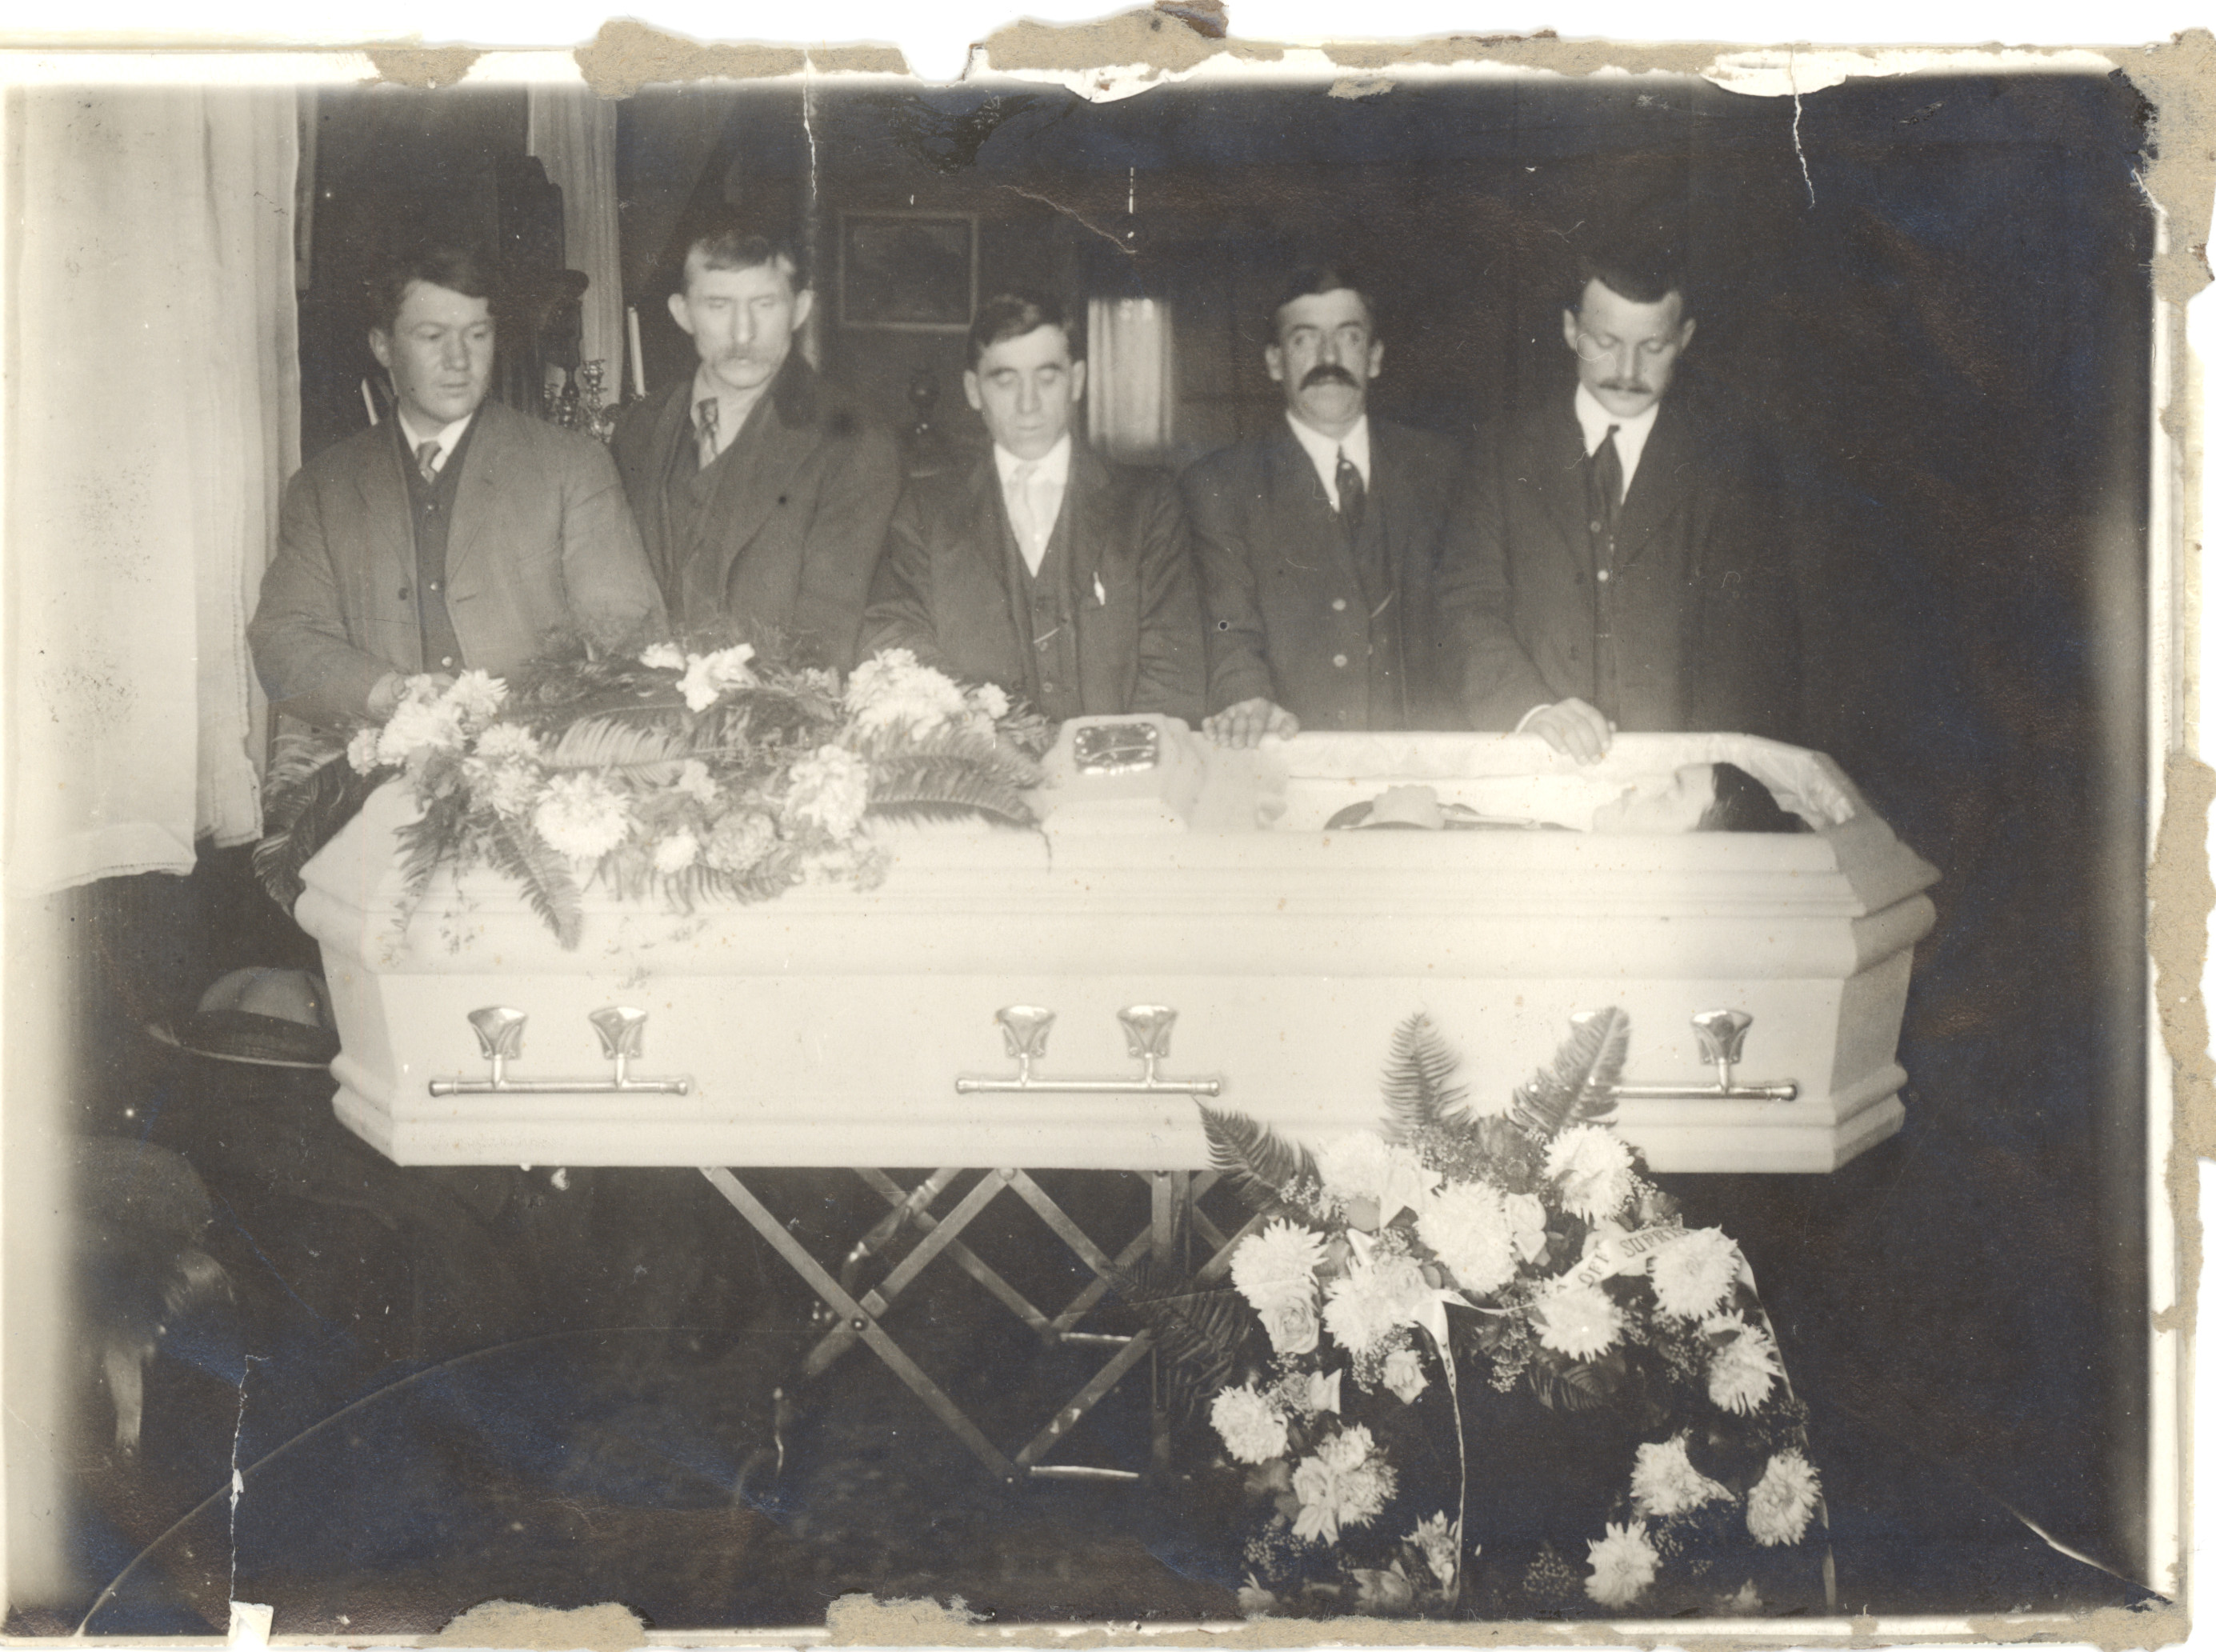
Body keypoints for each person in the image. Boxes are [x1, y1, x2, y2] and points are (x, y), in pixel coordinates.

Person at [250, 245, 666, 730]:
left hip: (541, 760)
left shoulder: (571, 467)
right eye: (433, 337)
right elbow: (284, 641)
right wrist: (385, 693)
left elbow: (631, 639)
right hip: (381, 763)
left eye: (477, 335)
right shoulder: (324, 487)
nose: (459, 360)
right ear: (383, 346)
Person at [1437, 246, 1801, 762]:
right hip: (1532, 760)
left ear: (1684, 339)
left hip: (1675, 778)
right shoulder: (1500, 453)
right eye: (1607, 343)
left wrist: (1700, 778)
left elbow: (1747, 654)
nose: (1628, 370)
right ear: (1571, 330)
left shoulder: (1729, 470)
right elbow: (1465, 606)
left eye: (1653, 346)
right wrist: (1531, 711)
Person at [859, 293, 1204, 722]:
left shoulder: (1147, 503)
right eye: (1005, 380)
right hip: (978, 759)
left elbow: (1173, 673)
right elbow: (897, 639)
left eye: (1047, 378)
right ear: (974, 390)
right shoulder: (924, 512)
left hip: (1116, 763)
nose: (1028, 404)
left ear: (1076, 381)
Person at [1180, 266, 1463, 745]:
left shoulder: (1443, 469)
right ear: (1275, 362)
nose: (1328, 358)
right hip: (1295, 754)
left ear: (1374, 357)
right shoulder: (1220, 485)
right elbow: (1228, 627)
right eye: (1304, 340)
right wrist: (1247, 699)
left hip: (1426, 757)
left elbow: (1471, 616)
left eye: (1348, 338)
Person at [612, 220, 901, 670]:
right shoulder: (638, 429)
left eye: (764, 304)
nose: (743, 333)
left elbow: (825, 640)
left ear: (800, 309)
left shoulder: (855, 441)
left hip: (779, 704)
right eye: (718, 305)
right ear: (682, 312)